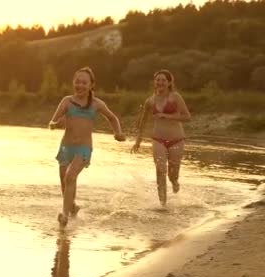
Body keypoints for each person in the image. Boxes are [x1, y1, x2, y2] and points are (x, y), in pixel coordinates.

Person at [49, 67, 126, 226]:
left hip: (83, 149)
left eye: (84, 82)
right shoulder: (67, 101)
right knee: (65, 182)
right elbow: (53, 121)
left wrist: (117, 133)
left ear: (91, 85)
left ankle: (64, 215)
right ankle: (72, 208)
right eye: (77, 82)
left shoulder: (97, 104)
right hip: (65, 148)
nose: (80, 85)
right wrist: (55, 124)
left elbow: (112, 118)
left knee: (70, 177)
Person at [131, 69, 191, 207]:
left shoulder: (175, 97)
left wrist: (168, 116)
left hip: (177, 140)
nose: (160, 82)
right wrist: (138, 141)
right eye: (158, 80)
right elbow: (142, 122)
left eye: (163, 80)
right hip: (158, 139)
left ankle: (175, 181)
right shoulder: (150, 101)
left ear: (169, 83)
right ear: (155, 82)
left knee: (172, 174)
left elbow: (187, 117)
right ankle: (163, 204)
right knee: (160, 170)